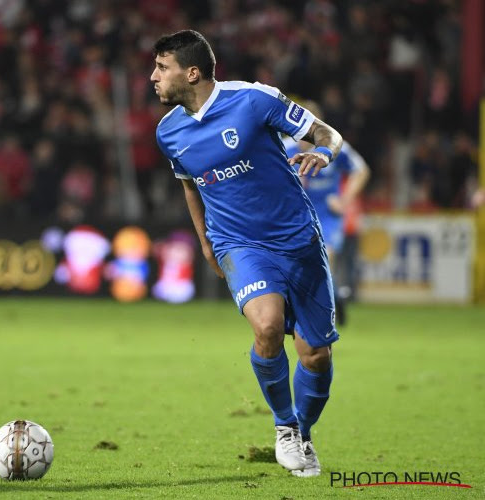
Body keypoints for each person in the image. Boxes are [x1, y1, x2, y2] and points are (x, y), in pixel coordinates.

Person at [151, 30, 343, 477]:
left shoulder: (255, 100)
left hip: (298, 240)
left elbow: (325, 133)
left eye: (162, 68)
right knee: (268, 327)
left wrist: (323, 153)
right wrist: (205, 243)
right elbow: (190, 187)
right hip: (238, 244)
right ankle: (283, 427)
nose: (153, 77)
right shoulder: (169, 131)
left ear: (191, 72)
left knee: (315, 354)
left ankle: (304, 433)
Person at [283, 101, 370, 325]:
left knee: (324, 258)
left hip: (327, 216)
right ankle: (336, 297)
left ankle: (319, 319)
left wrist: (344, 200)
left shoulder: (332, 146)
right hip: (298, 218)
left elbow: (361, 170)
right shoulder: (284, 149)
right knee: (303, 267)